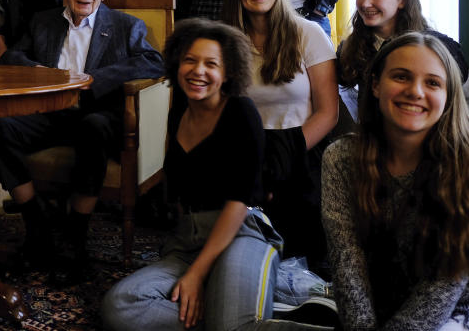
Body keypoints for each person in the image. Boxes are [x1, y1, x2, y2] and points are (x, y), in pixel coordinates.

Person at [103, 18, 315, 331]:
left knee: (230, 324)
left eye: (211, 63)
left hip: (241, 231)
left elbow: (239, 201)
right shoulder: (179, 107)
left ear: (228, 71)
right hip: (187, 241)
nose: (198, 71)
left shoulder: (241, 111)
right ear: (177, 64)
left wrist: (197, 275)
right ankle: (239, 314)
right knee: (119, 307)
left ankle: (237, 314)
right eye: (190, 60)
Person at [0, 0, 164, 281]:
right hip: (50, 116)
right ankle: (37, 220)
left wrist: (92, 80)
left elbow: (153, 61)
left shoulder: (126, 25)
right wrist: (39, 71)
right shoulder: (44, 22)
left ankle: (75, 233)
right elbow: (13, 56)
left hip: (97, 116)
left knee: (94, 126)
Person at [322, 32, 469, 330]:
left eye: (432, 83)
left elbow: (443, 287)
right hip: (380, 310)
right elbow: (347, 266)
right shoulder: (340, 159)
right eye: (401, 77)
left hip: (464, 309)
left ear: (448, 96)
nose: (415, 91)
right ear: (375, 85)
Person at [223, 0, 338, 265]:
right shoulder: (227, 42)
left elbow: (329, 112)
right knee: (244, 240)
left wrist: (285, 154)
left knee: (300, 240)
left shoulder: (309, 32)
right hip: (248, 149)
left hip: (302, 145)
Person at [337, 0, 468, 119]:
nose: (365, 3)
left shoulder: (437, 46)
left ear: (402, 0)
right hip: (375, 136)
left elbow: (459, 77)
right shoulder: (351, 47)